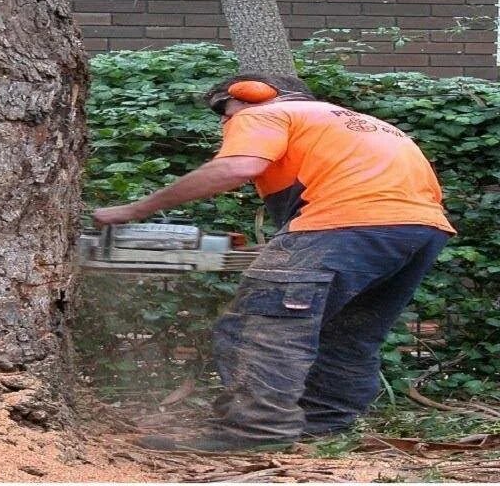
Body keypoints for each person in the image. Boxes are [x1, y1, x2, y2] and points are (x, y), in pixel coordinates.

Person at [93, 72, 454, 452]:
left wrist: (135, 209)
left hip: (340, 223)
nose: (223, 121)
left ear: (253, 95)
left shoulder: (264, 114)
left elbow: (237, 167)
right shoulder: (361, 124)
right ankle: (324, 425)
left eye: (223, 108)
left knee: (260, 326)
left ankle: (257, 431)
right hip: (420, 232)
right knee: (350, 334)